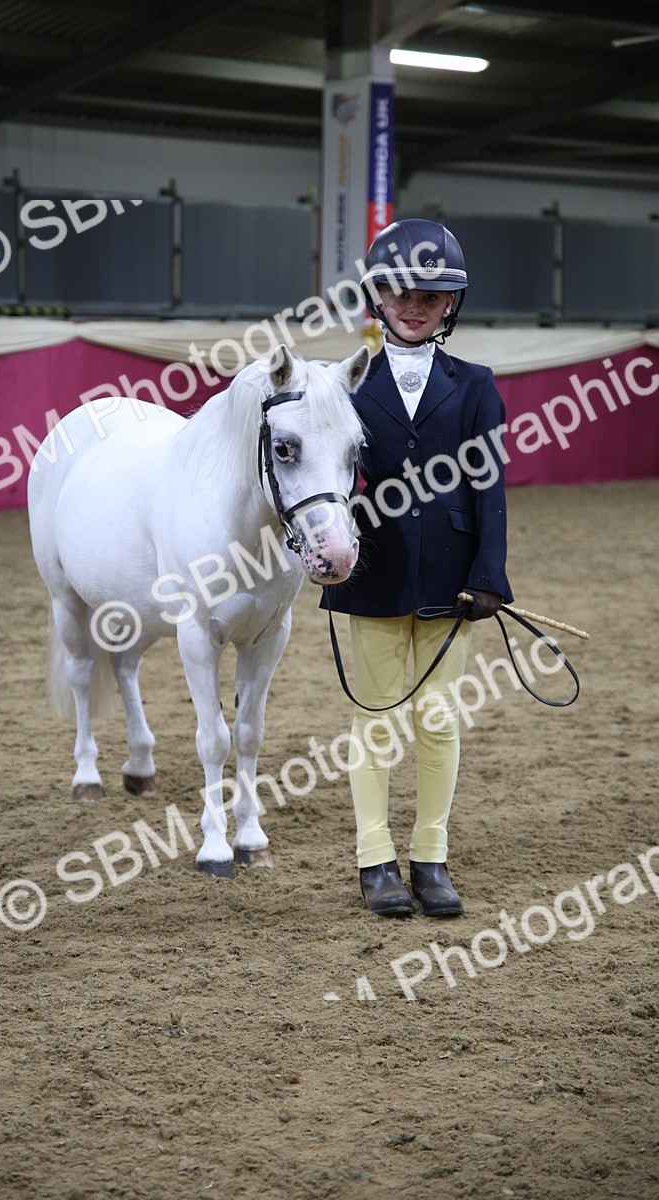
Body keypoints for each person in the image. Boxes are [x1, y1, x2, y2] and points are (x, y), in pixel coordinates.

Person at [323, 218, 513, 919]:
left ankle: (430, 856)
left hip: (451, 578)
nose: (414, 304)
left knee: (438, 721)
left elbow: (489, 487)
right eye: (401, 292)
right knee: (372, 722)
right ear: (377, 296)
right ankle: (375, 860)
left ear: (449, 307)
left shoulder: (476, 386)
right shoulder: (343, 383)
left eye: (430, 297)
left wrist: (490, 572)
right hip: (371, 572)